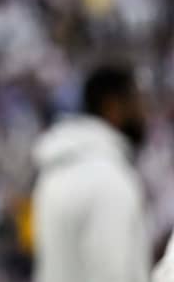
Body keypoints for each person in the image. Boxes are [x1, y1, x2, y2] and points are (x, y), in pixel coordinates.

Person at [32, 63, 150, 282]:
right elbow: (114, 274)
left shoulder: (56, 172)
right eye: (136, 101)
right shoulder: (110, 180)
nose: (144, 113)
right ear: (112, 106)